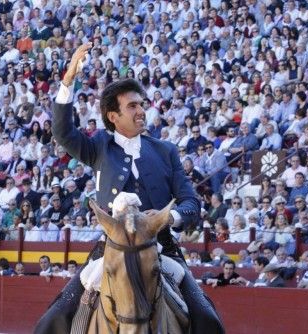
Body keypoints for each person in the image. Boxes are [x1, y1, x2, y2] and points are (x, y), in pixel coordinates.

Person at [36, 43, 224, 334]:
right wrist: (68, 79)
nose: (141, 111)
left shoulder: (165, 151)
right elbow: (62, 133)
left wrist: (166, 218)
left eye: (141, 104)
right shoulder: (98, 146)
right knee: (51, 321)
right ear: (113, 116)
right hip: (111, 250)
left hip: (160, 248)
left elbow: (190, 203)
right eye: (132, 106)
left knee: (209, 320)